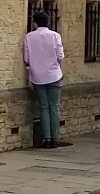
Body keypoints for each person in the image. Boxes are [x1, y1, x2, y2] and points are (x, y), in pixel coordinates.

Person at [22, 10, 67, 148]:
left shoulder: (29, 37)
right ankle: (55, 138)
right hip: (54, 75)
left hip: (38, 77)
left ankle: (46, 139)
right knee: (54, 107)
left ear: (35, 24)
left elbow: (26, 59)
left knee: (43, 107)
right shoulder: (55, 36)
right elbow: (61, 56)